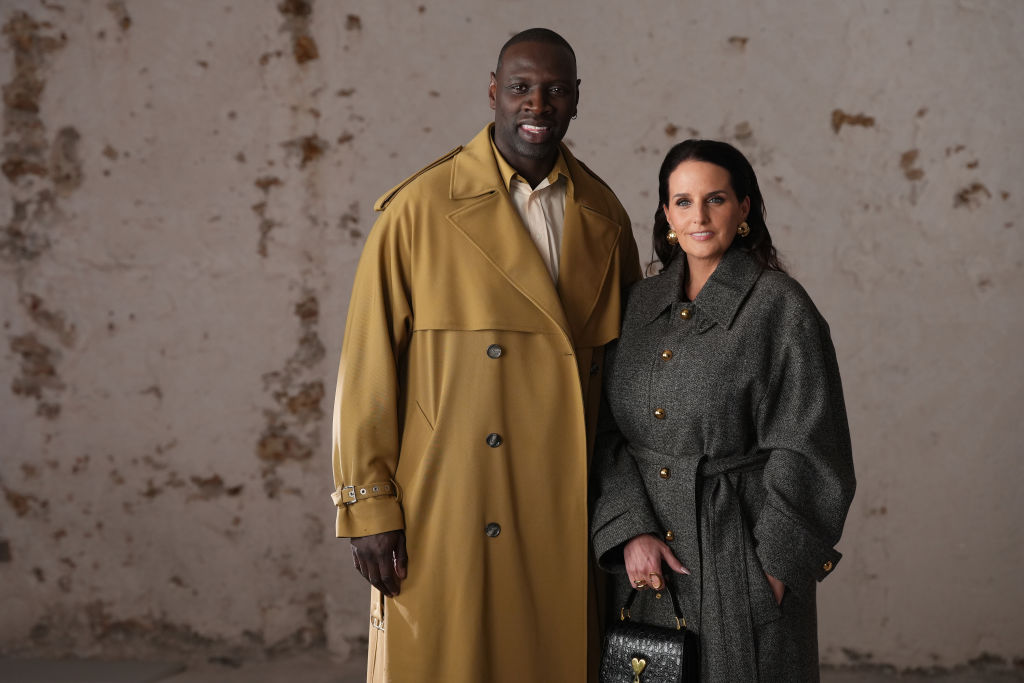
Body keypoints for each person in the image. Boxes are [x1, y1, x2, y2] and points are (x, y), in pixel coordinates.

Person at [330, 28, 641, 682]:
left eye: (555, 90)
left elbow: (625, 381)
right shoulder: (419, 210)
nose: (538, 104)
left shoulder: (604, 218)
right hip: (447, 504)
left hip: (559, 504)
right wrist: (367, 507)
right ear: (494, 92)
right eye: (522, 88)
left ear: (576, 100)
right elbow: (366, 373)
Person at [590, 139, 855, 682]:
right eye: (683, 201)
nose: (700, 216)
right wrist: (630, 530)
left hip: (742, 557)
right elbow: (609, 431)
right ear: (666, 214)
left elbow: (810, 445)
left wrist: (773, 574)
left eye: (716, 199)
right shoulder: (639, 305)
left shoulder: (780, 306)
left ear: (745, 209)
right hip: (649, 573)